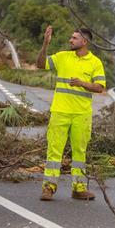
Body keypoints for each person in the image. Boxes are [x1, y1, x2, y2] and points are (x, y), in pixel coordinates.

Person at [36, 25, 107, 201]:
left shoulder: (95, 62)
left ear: (85, 41)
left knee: (79, 153)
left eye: (74, 38)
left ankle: (79, 188)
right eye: (71, 37)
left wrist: (83, 83)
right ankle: (48, 188)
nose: (70, 40)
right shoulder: (62, 57)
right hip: (60, 112)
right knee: (54, 151)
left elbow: (100, 87)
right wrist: (45, 44)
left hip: (81, 115)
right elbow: (40, 64)